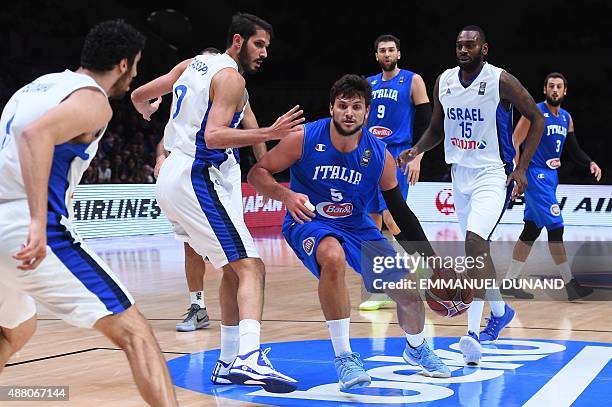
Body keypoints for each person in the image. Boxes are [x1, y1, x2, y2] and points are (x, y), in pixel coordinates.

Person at [0, 20, 178, 406]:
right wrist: (35, 221)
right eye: (135, 66)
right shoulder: (93, 99)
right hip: (27, 226)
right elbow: (35, 136)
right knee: (136, 332)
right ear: (123, 63)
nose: (134, 76)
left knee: (15, 330)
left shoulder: (36, 87)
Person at [248, 74, 452, 390]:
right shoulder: (303, 138)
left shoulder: (379, 155)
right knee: (332, 255)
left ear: (366, 112)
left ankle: (416, 349)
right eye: (342, 106)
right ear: (332, 108)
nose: (348, 113)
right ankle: (344, 357)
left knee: (409, 294)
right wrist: (285, 195)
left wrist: (433, 261)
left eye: (356, 107)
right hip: (309, 219)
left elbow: (400, 211)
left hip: (357, 225)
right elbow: (258, 172)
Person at [134, 13, 302, 393]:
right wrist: (270, 133)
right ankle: (250, 356)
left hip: (171, 175)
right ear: (238, 41)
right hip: (196, 174)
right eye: (259, 45)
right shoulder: (230, 78)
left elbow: (138, 96)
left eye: (267, 48)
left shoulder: (189, 66)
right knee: (252, 267)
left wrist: (147, 110)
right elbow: (212, 136)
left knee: (231, 269)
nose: (264, 54)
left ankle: (227, 362)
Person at [399, 25, 545, 365]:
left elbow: (535, 119)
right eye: (459, 45)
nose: (464, 49)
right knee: (477, 253)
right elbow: (436, 129)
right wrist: (416, 151)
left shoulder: (500, 80)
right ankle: (500, 310)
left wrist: (521, 168)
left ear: (485, 48)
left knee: (474, 245)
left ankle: (472, 333)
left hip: (492, 174)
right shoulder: (445, 81)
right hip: (459, 176)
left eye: (471, 45)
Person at [133, 47, 269, 332]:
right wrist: (161, 156)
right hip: (192, 168)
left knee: (236, 260)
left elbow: (250, 126)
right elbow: (171, 137)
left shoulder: (232, 88)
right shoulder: (197, 82)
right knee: (207, 251)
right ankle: (200, 308)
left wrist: (265, 167)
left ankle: (233, 341)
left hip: (222, 171)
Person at [503, 72, 600, 300]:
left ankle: (509, 282)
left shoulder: (566, 117)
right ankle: (570, 284)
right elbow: (515, 142)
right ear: (544, 90)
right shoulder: (534, 112)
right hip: (535, 176)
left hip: (551, 176)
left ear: (565, 91)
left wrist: (590, 163)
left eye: (559, 87)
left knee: (531, 230)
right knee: (556, 228)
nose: (555, 90)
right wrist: (519, 172)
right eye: (551, 86)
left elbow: (573, 149)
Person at [360, 34, 432, 311]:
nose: (387, 54)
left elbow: (427, 123)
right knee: (370, 223)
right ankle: (380, 288)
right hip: (370, 157)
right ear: (376, 55)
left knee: (392, 220)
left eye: (391, 50)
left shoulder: (413, 81)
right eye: (382, 51)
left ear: (398, 54)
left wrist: (418, 156)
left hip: (399, 157)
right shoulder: (368, 84)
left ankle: (423, 266)